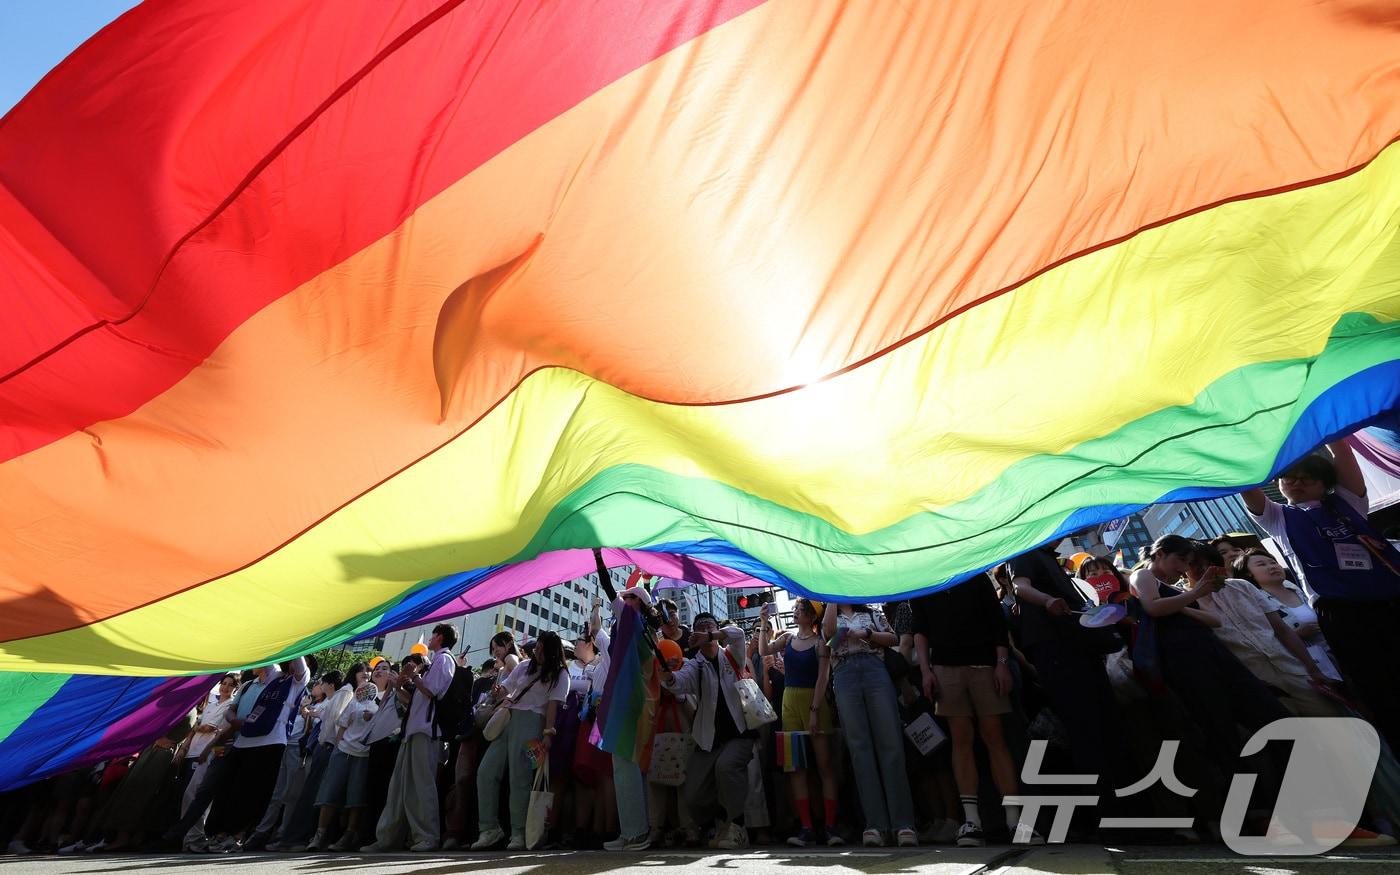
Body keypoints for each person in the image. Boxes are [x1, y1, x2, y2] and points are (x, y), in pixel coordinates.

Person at [1242, 442, 1400, 750]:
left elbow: (1343, 452)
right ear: (1278, 483)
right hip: (1342, 613)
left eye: (1309, 477)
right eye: (1290, 477)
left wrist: (1326, 425)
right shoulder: (1278, 518)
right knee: (1379, 685)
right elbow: (1246, 484)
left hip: (1390, 601)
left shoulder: (1347, 503)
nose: (1298, 482)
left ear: (1326, 484)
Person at [1130, 536, 1292, 825]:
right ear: (1161, 554)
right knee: (1222, 735)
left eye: (1189, 565)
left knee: (1274, 720)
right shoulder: (1143, 574)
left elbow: (1215, 620)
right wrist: (1192, 595)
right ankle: (1252, 813)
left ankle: (1289, 800)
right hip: (1185, 666)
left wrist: (1181, 602)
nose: (1183, 570)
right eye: (1181, 562)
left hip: (1217, 659)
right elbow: (1153, 607)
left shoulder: (1177, 592)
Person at [1010, 544, 1135, 835]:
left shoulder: (1055, 564)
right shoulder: (1024, 553)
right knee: (1086, 730)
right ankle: (1106, 816)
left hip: (1081, 649)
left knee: (1108, 727)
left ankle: (1125, 812)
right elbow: (1020, 586)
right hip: (1057, 650)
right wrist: (1047, 601)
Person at [912, 574, 1043, 848]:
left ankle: (1014, 819)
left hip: (984, 664)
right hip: (945, 667)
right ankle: (972, 820)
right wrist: (926, 670)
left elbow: (996, 622)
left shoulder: (975, 575)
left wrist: (1002, 663)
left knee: (995, 738)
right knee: (961, 740)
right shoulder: (924, 580)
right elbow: (920, 630)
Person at [820, 602, 917, 847]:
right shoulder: (829, 614)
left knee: (891, 744)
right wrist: (830, 599)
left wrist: (868, 634)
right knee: (859, 749)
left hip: (875, 670)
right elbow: (829, 635)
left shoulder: (871, 613)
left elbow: (893, 637)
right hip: (843, 673)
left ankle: (903, 823)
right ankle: (875, 824)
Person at [361, 624, 458, 853]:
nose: (430, 640)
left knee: (421, 786)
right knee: (399, 787)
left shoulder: (444, 659)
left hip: (425, 731)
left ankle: (427, 836)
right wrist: (398, 685)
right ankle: (388, 837)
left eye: (433, 635)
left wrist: (414, 676)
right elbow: (414, 699)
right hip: (413, 731)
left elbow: (432, 692)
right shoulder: (435, 662)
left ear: (439, 637)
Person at [662, 612, 754, 850]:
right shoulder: (695, 665)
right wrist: (667, 675)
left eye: (709, 627)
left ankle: (737, 825)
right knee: (692, 794)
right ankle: (718, 821)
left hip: (739, 733)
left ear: (716, 631)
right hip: (708, 739)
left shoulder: (733, 655)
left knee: (727, 767)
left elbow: (738, 633)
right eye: (699, 628)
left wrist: (711, 635)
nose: (705, 631)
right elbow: (679, 683)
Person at [473, 631, 570, 851]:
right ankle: (488, 828)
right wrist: (498, 691)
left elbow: (553, 706)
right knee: (486, 772)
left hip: (534, 723)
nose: (537, 652)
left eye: (542, 649)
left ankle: (518, 833)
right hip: (508, 719)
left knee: (521, 779)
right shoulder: (524, 666)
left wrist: (548, 734)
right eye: (536, 648)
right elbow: (506, 687)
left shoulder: (561, 673)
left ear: (553, 651)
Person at [759, 598, 840, 847]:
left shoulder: (820, 643)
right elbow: (764, 651)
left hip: (814, 702)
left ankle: (830, 826)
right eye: (795, 608)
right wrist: (764, 623)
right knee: (796, 767)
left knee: (824, 766)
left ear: (812, 615)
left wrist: (815, 709)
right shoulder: (788, 640)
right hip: (789, 702)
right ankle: (806, 827)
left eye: (800, 609)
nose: (795, 611)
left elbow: (823, 677)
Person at [306, 664, 374, 850]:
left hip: (363, 754)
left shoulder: (381, 701)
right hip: (342, 750)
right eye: (367, 671)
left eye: (371, 672)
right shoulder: (353, 698)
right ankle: (319, 836)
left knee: (355, 796)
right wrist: (337, 747)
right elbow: (341, 723)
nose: (369, 675)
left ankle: (348, 836)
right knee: (329, 792)